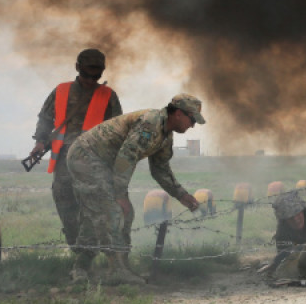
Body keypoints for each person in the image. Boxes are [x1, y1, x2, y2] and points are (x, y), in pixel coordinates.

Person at [64, 94, 204, 284]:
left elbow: (160, 169)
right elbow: (126, 156)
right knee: (113, 210)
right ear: (178, 114)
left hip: (104, 162)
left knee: (106, 213)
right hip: (86, 155)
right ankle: (116, 270)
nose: (193, 125)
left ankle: (84, 268)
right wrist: (120, 194)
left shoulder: (165, 135)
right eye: (192, 119)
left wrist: (181, 194)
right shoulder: (150, 123)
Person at [28, 49, 123, 261]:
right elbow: (45, 118)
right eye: (87, 74)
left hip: (94, 162)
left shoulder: (108, 96)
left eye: (96, 76)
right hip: (63, 161)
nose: (91, 80)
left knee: (91, 207)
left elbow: (118, 129)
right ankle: (79, 251)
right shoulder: (61, 91)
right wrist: (40, 141)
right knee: (65, 202)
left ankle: (88, 257)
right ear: (77, 67)